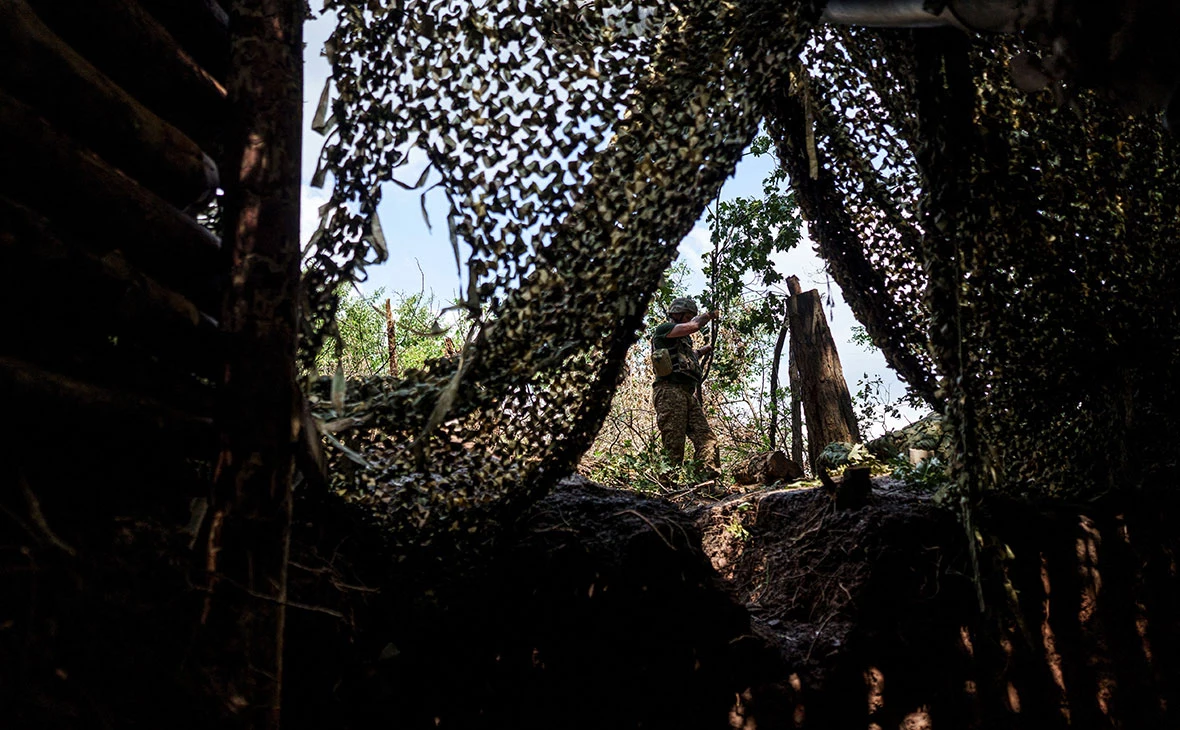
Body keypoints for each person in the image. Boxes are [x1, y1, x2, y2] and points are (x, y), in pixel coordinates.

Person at [650, 297, 721, 485]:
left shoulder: (684, 342)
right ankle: (668, 489)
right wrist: (709, 315)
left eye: (691, 316)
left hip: (687, 395)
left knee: (706, 438)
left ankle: (706, 484)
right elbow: (693, 326)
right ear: (675, 314)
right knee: (674, 443)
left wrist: (704, 350)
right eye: (687, 316)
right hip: (669, 391)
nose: (689, 319)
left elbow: (690, 356)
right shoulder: (664, 330)